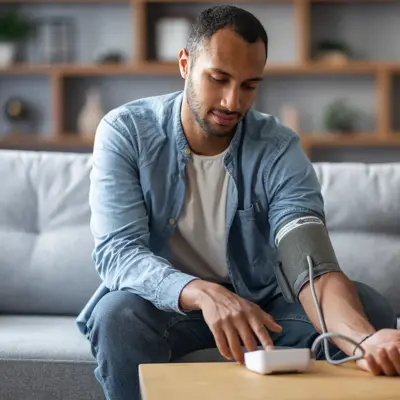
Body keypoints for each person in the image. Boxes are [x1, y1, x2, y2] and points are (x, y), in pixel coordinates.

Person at [76, 5, 399, 399]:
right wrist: (206, 293)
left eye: (249, 85)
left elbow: (310, 263)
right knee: (117, 316)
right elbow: (118, 253)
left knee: (372, 312)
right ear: (184, 64)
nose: (232, 102)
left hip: (259, 308)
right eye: (218, 78)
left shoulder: (279, 149)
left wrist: (365, 341)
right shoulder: (125, 132)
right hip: (166, 308)